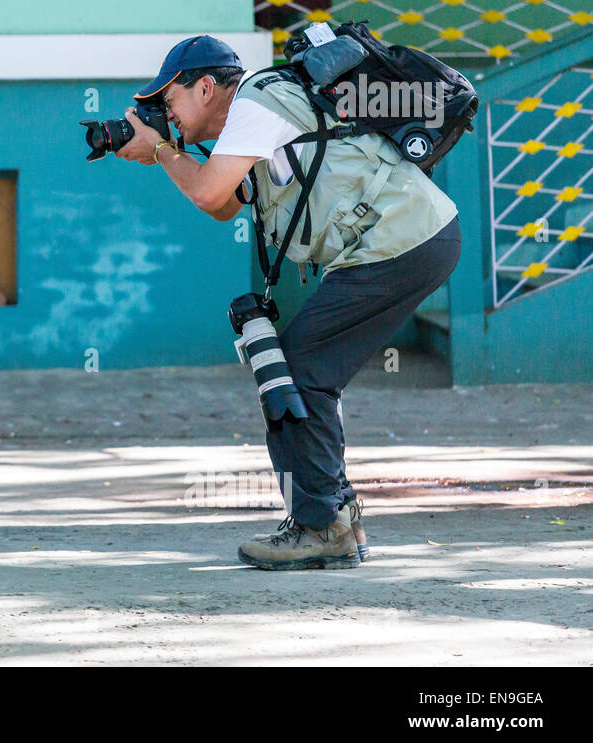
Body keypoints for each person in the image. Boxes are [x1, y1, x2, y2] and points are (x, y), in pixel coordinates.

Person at [117, 35, 461, 570]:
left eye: (169, 103)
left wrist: (160, 150)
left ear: (205, 87)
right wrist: (167, 151)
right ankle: (333, 518)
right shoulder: (255, 120)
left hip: (404, 240)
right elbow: (223, 204)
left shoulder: (256, 100)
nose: (167, 115)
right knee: (304, 372)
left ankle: (322, 526)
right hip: (411, 240)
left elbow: (208, 193)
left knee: (297, 372)